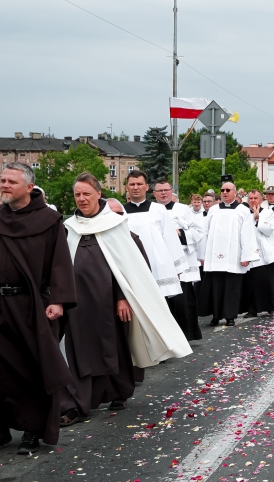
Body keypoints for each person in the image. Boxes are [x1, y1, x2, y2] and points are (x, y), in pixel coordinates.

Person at [61, 172, 191, 426]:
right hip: (78, 302)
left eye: (86, 193)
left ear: (99, 194)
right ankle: (79, 402)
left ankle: (119, 391)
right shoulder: (70, 228)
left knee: (114, 347)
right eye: (77, 194)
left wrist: (123, 298)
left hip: (110, 301)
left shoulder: (116, 225)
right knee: (78, 350)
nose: (81, 199)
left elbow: (129, 265)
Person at [0, 162, 76, 455]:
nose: (3, 185)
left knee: (30, 370)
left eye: (11, 182)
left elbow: (60, 264)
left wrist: (58, 300)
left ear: (29, 187)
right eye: (2, 180)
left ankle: (32, 429)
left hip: (32, 308)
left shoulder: (49, 220)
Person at [123, 173, 187, 326]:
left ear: (146, 187)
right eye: (132, 184)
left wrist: (177, 267)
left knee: (162, 307)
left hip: (159, 265)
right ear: (127, 187)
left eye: (139, 184)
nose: (136, 187)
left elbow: (170, 238)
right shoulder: (120, 212)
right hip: (133, 265)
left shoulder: (159, 210)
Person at [198, 182, 259, 327]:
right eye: (222, 190)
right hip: (213, 257)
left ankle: (230, 316)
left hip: (233, 257)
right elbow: (204, 232)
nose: (225, 192)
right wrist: (202, 255)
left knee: (231, 287)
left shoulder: (243, 211)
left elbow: (248, 234)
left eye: (228, 190)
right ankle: (216, 315)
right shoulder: (213, 210)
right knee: (215, 287)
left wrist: (246, 256)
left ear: (235, 192)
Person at [153, 180, 204, 341]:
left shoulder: (183, 210)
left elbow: (198, 231)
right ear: (153, 193)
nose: (163, 193)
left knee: (183, 301)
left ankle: (186, 334)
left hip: (182, 262)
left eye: (166, 190)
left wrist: (180, 234)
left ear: (171, 191)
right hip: (159, 262)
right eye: (159, 190)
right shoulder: (151, 210)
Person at [243, 190, 274, 317]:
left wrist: (258, 218)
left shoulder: (268, 213)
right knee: (252, 284)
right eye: (250, 198)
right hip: (250, 253)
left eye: (255, 198)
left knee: (269, 282)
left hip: (265, 254)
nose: (253, 200)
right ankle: (252, 309)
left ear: (261, 200)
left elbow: (269, 229)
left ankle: (270, 305)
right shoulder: (243, 214)